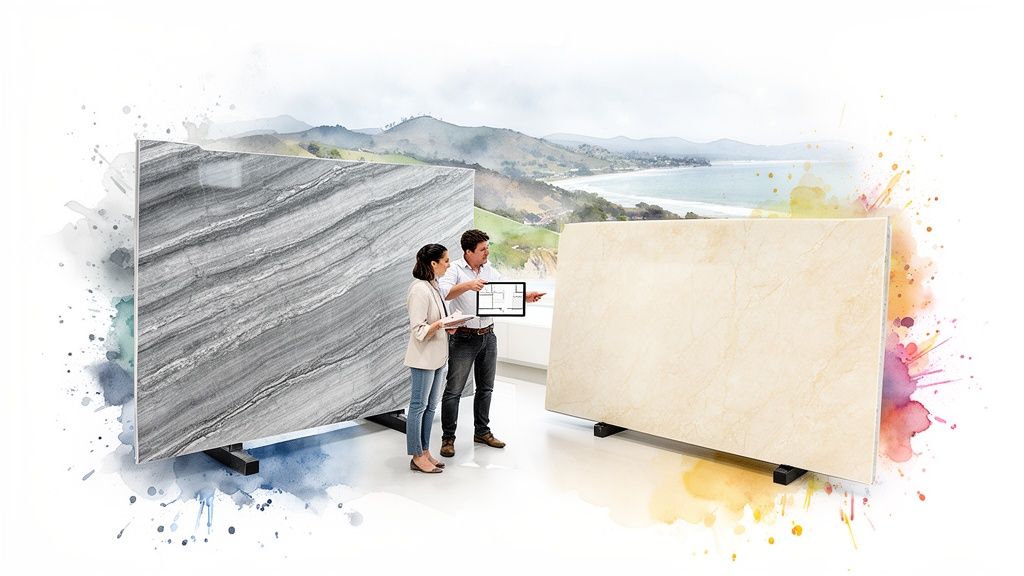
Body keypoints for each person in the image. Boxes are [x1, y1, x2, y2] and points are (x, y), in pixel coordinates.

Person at [437, 229, 545, 457]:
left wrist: (527, 295)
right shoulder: (455, 269)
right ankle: (448, 439)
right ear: (468, 252)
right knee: (453, 391)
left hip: (489, 336)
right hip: (464, 337)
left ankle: (482, 432)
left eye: (488, 247)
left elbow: (504, 287)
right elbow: (443, 292)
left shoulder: (488, 269)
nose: (487, 252)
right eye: (482, 249)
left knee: (486, 388)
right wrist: (468, 285)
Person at [404, 243, 467, 473]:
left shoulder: (434, 285)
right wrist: (442, 324)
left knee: (431, 407)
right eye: (446, 261)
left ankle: (425, 450)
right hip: (423, 359)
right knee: (418, 406)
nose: (448, 265)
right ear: (433, 263)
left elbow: (437, 321)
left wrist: (448, 325)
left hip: (438, 357)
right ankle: (416, 455)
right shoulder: (419, 289)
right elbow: (419, 330)